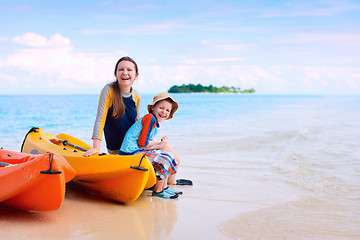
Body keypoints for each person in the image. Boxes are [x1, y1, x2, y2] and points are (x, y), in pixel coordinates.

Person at [119, 93, 182, 199]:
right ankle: (158, 190)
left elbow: (144, 143)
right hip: (129, 153)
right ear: (153, 107)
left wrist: (159, 145)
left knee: (169, 155)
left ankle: (164, 187)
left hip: (136, 151)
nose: (164, 112)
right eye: (161, 108)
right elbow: (142, 144)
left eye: (167, 110)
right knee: (166, 158)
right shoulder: (149, 118)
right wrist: (160, 144)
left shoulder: (154, 122)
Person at [84, 56, 141, 156]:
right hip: (117, 150)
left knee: (166, 149)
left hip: (135, 147)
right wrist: (96, 147)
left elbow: (139, 121)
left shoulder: (136, 95)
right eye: (120, 69)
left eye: (129, 70)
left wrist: (150, 139)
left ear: (136, 75)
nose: (124, 72)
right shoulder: (109, 90)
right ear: (116, 74)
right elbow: (100, 119)